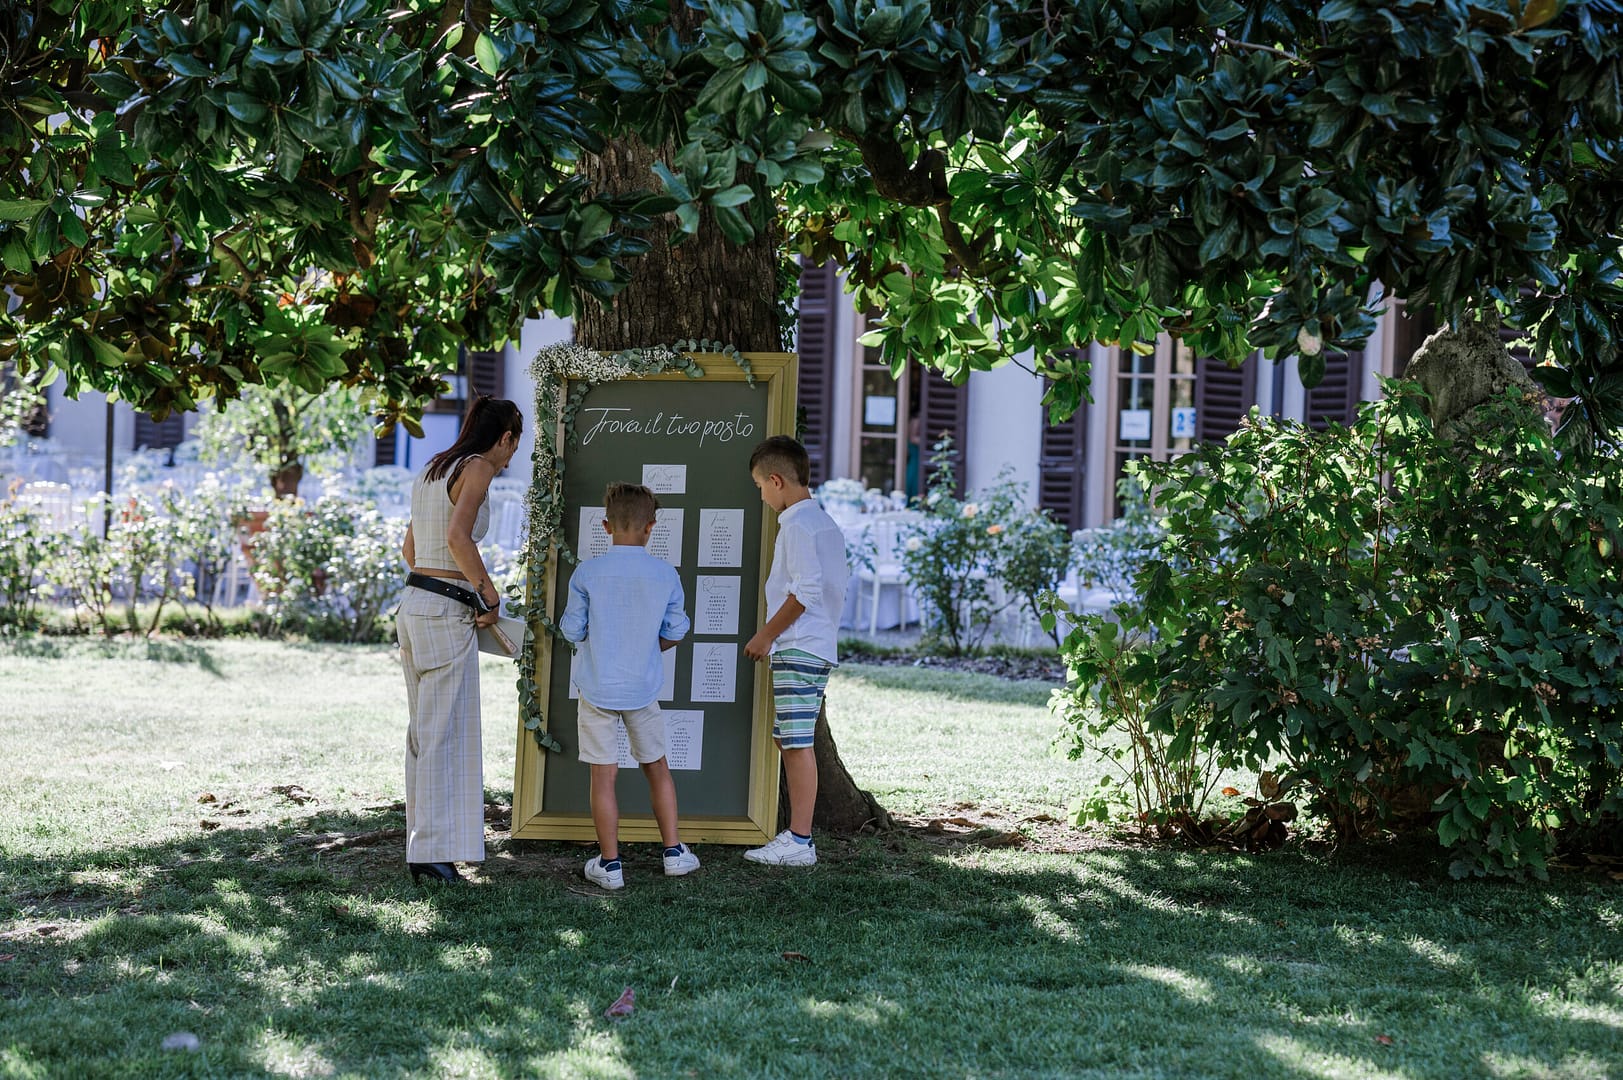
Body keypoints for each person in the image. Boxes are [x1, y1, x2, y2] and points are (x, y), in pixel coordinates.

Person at [397, 395, 524, 884]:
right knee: (446, 731)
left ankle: (423, 847)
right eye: (514, 445)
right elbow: (458, 536)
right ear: (506, 436)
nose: (511, 457)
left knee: (423, 731)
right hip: (446, 607)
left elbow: (411, 549)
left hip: (413, 605)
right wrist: (486, 594)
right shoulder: (477, 468)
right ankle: (432, 853)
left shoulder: (433, 468)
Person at [558, 482, 699, 890]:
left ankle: (610, 863)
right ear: (651, 527)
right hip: (643, 688)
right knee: (657, 767)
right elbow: (676, 630)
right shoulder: (664, 573)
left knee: (603, 776)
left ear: (605, 525)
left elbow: (572, 630)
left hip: (597, 686)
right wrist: (646, 647)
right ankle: (673, 853)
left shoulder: (588, 572)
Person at [743, 436, 850, 867]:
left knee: (797, 743)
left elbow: (803, 592)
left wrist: (766, 635)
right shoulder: (822, 523)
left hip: (798, 645)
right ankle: (797, 837)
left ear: (775, 480)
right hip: (813, 645)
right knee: (789, 739)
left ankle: (801, 840)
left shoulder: (797, 526)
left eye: (759, 486)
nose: (761, 495)